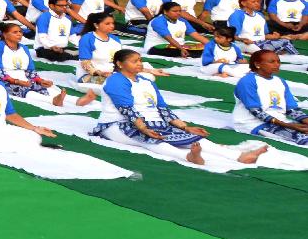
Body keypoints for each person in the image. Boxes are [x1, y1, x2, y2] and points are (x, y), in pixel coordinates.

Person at [94, 48, 268, 166]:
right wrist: (144, 129)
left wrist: (185, 127)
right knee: (153, 140)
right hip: (118, 125)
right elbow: (127, 110)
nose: (139, 64)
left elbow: (163, 109)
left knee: (194, 138)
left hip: (153, 123)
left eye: (140, 60)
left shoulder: (146, 81)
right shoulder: (116, 80)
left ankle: (239, 156)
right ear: (120, 64)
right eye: (134, 61)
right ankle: (188, 157)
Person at [233, 50, 308, 146]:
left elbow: (291, 109)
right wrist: (288, 125)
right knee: (303, 139)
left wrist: (305, 121)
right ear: (257, 64)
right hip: (253, 123)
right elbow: (256, 111)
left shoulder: (280, 81)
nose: (277, 65)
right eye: (272, 62)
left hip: (281, 121)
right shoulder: (247, 81)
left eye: (278, 61)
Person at [0, 23, 64, 107]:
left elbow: (30, 70)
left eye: (20, 32)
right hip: (4, 80)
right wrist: (17, 81)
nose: (19, 34)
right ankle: (52, 101)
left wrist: (40, 80)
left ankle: (67, 98)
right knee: (23, 90)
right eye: (15, 32)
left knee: (47, 86)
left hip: (24, 79)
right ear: (5, 34)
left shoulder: (24, 48)